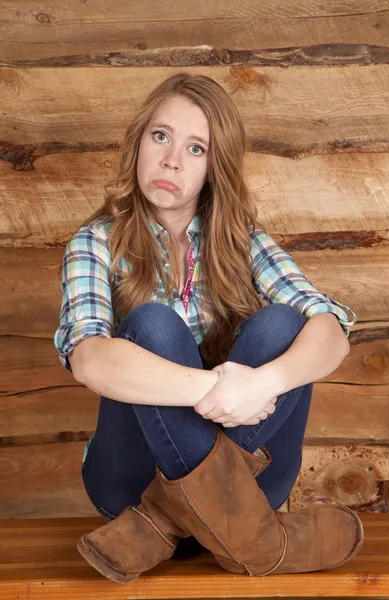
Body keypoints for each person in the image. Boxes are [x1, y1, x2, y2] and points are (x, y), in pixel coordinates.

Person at [54, 72, 363, 584]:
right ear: (138, 145)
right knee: (152, 324)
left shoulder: (244, 242)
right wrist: (216, 388)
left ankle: (158, 522)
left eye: (196, 148)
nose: (172, 159)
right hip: (128, 478)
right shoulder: (96, 243)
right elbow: (88, 357)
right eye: (161, 137)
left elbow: (332, 331)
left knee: (285, 324)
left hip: (253, 483)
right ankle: (263, 543)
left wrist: (264, 383)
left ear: (214, 169)